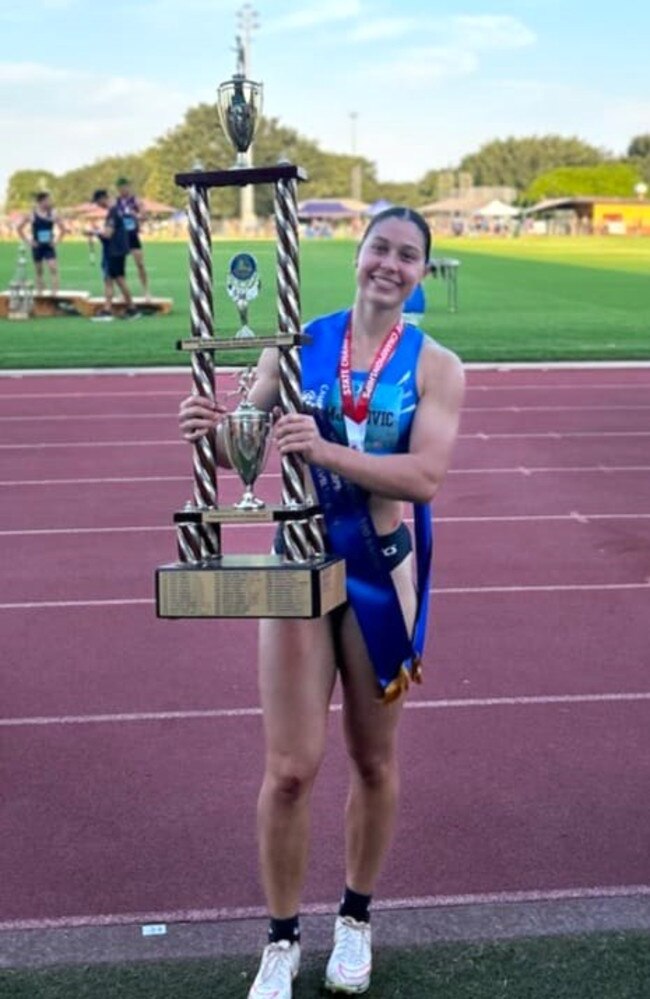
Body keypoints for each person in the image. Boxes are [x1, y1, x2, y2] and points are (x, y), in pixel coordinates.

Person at [178, 207, 465, 997]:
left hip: (381, 567)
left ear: (421, 271)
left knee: (372, 759)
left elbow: (424, 478)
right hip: (297, 566)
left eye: (409, 256)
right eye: (381, 248)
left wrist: (327, 449)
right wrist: (212, 428)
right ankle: (279, 939)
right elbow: (246, 441)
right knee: (290, 770)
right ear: (359, 253)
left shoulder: (437, 364)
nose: (391, 265)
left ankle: (355, 918)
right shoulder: (301, 340)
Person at [86, 189, 139, 321]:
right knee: (114, 279)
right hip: (118, 250)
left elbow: (108, 234)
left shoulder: (113, 213)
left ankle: (121, 309)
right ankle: (115, 308)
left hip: (113, 251)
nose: (99, 205)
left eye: (98, 202)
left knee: (115, 280)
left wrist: (93, 232)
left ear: (103, 198)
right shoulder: (118, 211)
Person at [17, 191, 68, 294]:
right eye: (48, 200)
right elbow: (19, 228)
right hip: (37, 246)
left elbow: (63, 229)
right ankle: (40, 293)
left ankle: (55, 293)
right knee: (39, 271)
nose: (50, 202)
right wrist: (28, 242)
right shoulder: (31, 214)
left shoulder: (53, 213)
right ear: (41, 201)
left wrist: (57, 242)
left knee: (53, 268)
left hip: (48, 246)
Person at [115, 177, 150, 298]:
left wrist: (136, 216)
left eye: (125, 187)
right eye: (121, 188)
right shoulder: (116, 202)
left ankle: (145, 291)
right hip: (120, 237)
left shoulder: (135, 201)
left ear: (129, 187)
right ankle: (122, 292)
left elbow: (144, 217)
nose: (123, 190)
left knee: (140, 264)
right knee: (120, 267)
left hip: (132, 236)